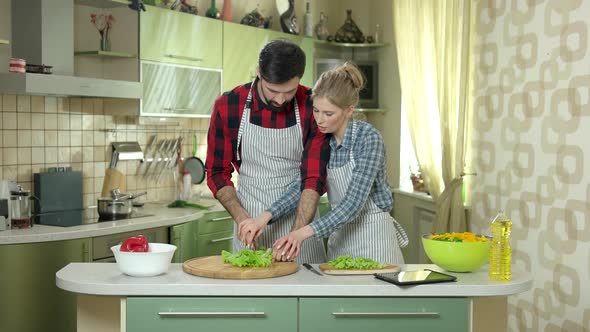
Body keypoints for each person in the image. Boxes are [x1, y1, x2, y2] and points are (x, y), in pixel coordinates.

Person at [242, 62, 408, 264]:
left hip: (375, 241)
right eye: (317, 111)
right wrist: (265, 216)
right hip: (341, 242)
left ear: (349, 110)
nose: (320, 120)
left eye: (329, 114)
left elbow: (353, 205)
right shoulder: (324, 140)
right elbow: (303, 186)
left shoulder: (368, 138)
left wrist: (301, 233)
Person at [206, 39, 329, 263]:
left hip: (300, 223)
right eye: (273, 90)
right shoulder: (228, 105)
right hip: (250, 222)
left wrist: (295, 237)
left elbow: (313, 179)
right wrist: (242, 219)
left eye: (289, 91)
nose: (280, 99)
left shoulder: (313, 106)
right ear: (259, 73)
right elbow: (216, 172)